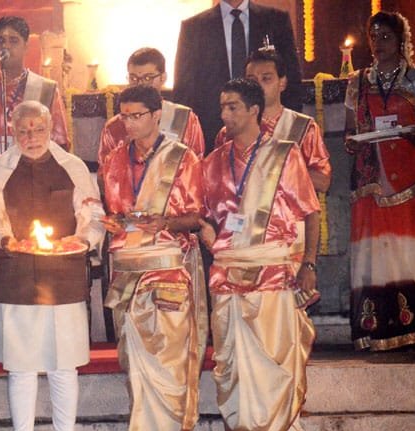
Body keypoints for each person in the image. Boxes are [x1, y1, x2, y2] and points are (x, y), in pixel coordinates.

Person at [0, 100, 105, 431]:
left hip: (62, 275)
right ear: (13, 131)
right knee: (21, 367)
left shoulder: (72, 166)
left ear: (51, 128)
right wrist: (4, 239)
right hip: (15, 274)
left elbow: (93, 213)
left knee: (64, 366)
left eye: (38, 129)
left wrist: (83, 240)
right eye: (23, 130)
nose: (31, 136)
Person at [200, 79, 320, 431]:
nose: (224, 114)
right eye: (222, 107)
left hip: (272, 270)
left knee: (278, 357)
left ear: (254, 110)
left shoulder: (284, 154)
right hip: (228, 271)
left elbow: (310, 212)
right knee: (231, 360)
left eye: (233, 107)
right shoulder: (212, 161)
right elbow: (203, 215)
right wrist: (206, 234)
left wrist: (309, 263)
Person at [101, 85, 207, 431]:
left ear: (157, 114)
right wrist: (114, 223)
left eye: (137, 115)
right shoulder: (114, 158)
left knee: (174, 357)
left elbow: (196, 217)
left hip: (168, 265)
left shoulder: (182, 157)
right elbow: (117, 212)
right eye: (124, 116)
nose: (129, 123)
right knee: (136, 362)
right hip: (128, 268)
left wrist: (165, 222)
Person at [214, 49, 332, 263]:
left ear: (282, 83)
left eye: (266, 78)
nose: (259, 85)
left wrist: (279, 171)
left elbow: (323, 181)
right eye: (252, 80)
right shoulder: (228, 132)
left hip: (287, 237)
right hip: (240, 235)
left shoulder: (301, 127)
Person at [344, 11, 415, 352]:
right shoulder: (358, 81)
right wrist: (351, 141)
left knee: (407, 251)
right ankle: (376, 332)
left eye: (386, 36)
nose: (378, 43)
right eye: (374, 37)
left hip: (408, 179)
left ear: (401, 40)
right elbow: (350, 130)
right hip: (370, 179)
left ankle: (411, 329)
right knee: (373, 253)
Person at [0, 15, 69, 217]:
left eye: (13, 40)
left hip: (34, 187)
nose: (6, 46)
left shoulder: (45, 89)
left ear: (26, 46)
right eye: (1, 40)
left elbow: (60, 143)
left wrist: (58, 191)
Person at [174, 0, 303, 153]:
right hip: (212, 135)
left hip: (272, 136)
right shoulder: (194, 27)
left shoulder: (276, 20)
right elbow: (184, 90)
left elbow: (292, 80)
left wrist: (286, 127)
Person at [97, 47, 205, 180]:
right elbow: (105, 175)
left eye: (148, 78)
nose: (140, 84)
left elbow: (196, 169)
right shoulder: (114, 127)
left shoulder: (184, 119)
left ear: (163, 78)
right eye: (133, 78)